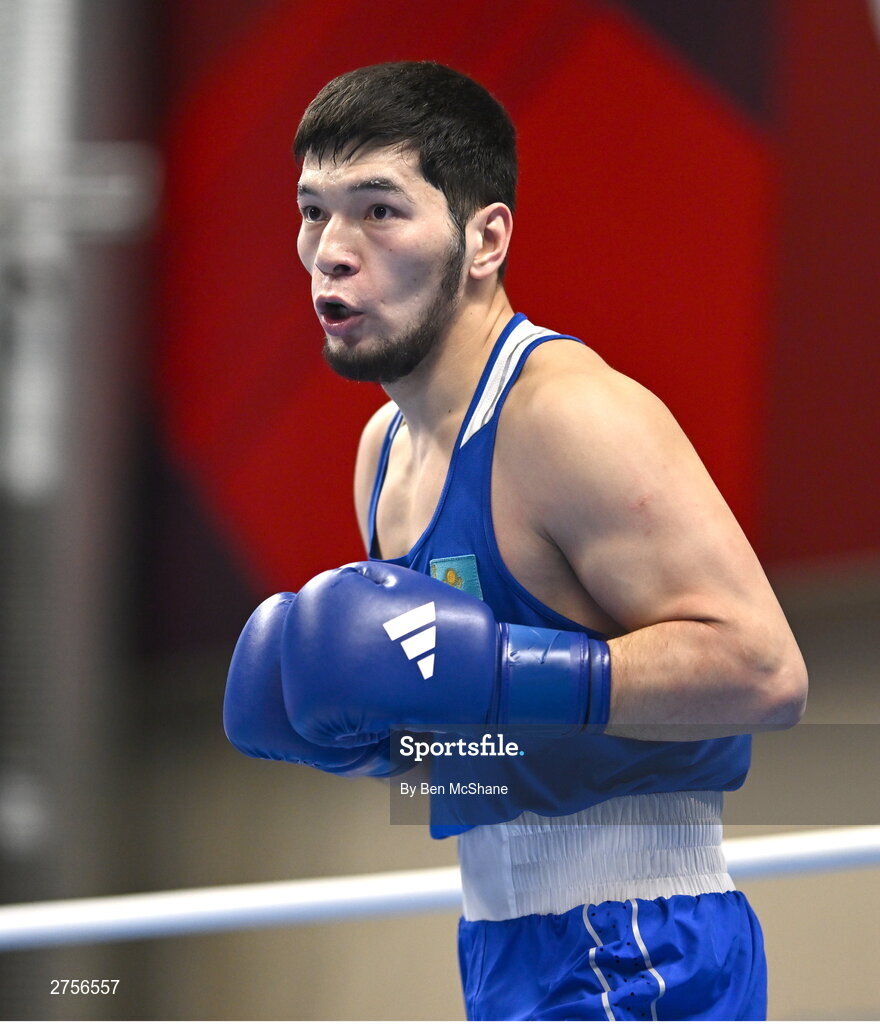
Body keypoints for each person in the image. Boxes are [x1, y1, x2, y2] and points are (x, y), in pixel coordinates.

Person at [223, 61, 808, 1021]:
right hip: (499, 944)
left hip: (642, 941)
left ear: (485, 237)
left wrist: (503, 672)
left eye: (378, 210)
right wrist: (381, 747)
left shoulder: (567, 416)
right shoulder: (385, 453)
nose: (331, 249)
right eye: (313, 210)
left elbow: (764, 671)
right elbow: (490, 733)